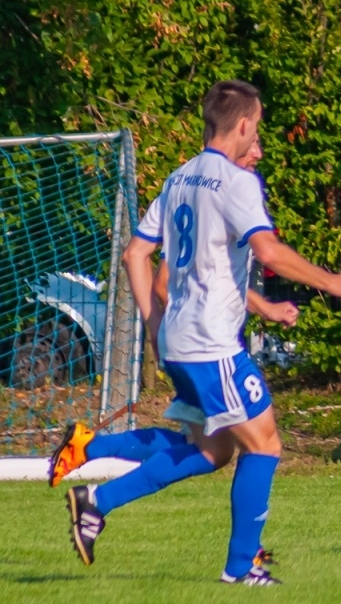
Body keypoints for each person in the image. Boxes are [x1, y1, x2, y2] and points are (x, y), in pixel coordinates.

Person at [63, 80, 341, 585]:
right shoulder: (236, 183)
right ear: (245, 124)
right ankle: (240, 568)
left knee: (213, 451)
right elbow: (270, 252)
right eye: (257, 128)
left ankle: (97, 496)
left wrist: (151, 323)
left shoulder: (179, 178)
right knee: (266, 445)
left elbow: (137, 256)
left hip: (179, 342)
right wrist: (333, 281)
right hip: (212, 345)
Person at [47, 138, 299, 486]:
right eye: (253, 140)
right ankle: (95, 497)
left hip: (191, 343)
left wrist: (264, 307)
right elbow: (165, 282)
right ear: (235, 134)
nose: (258, 151)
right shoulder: (204, 197)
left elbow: (208, 279)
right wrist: (160, 326)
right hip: (202, 347)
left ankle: (87, 449)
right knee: (255, 444)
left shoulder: (207, 191)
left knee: (210, 449)